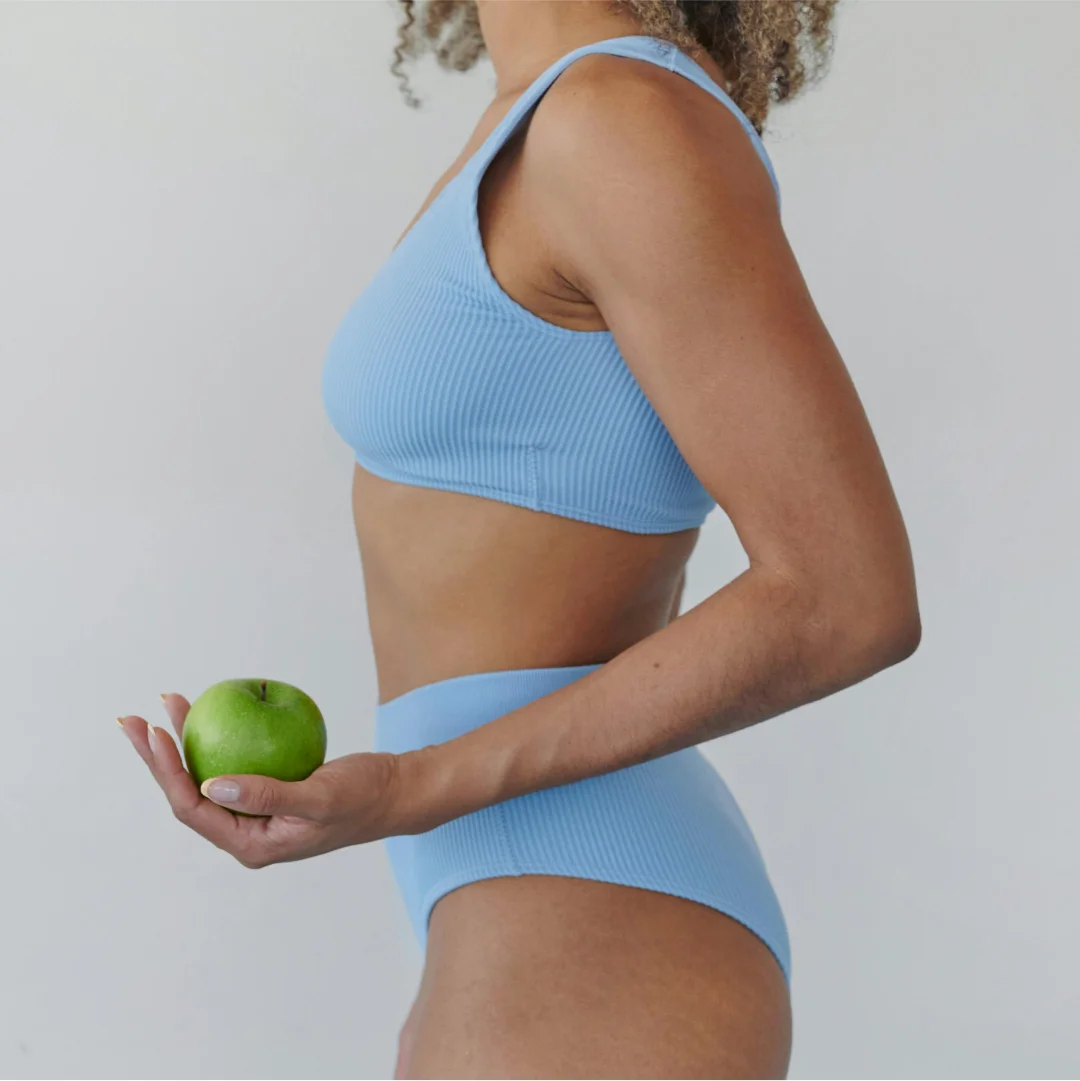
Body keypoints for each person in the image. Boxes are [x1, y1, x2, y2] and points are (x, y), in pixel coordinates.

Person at [118, 1, 921, 1076]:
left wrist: (412, 787)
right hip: (507, 893)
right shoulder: (549, 109)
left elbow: (847, 599)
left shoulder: (618, 119)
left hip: (589, 900)